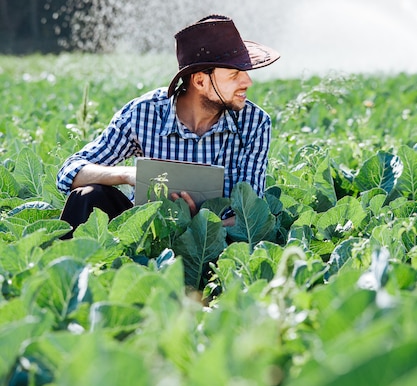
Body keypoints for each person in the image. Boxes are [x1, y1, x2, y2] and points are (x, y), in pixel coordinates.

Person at [57, 14, 280, 235]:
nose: (247, 82)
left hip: (213, 243)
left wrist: (194, 226)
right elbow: (69, 173)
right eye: (234, 75)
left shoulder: (255, 123)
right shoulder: (145, 112)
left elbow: (249, 215)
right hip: (144, 234)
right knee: (86, 196)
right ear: (200, 81)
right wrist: (128, 174)